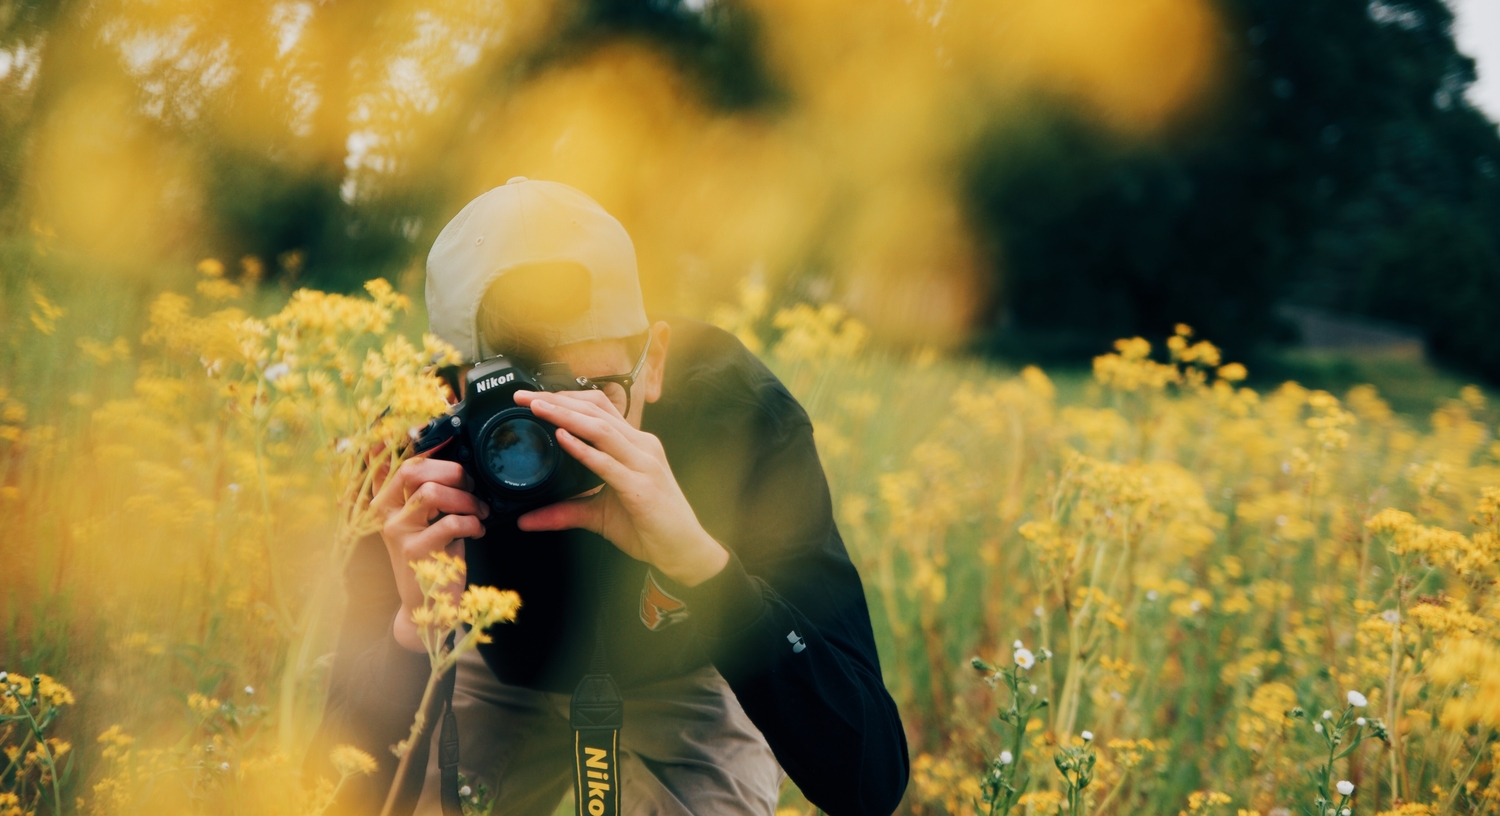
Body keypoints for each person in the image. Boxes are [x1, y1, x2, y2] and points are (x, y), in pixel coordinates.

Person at [307, 177, 908, 816]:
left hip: (690, 662)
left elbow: (869, 781)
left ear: (653, 364)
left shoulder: (736, 422)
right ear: (445, 391)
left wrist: (704, 567)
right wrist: (413, 632)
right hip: (490, 657)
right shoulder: (410, 455)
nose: (556, 438)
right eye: (510, 411)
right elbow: (343, 788)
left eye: (590, 393)